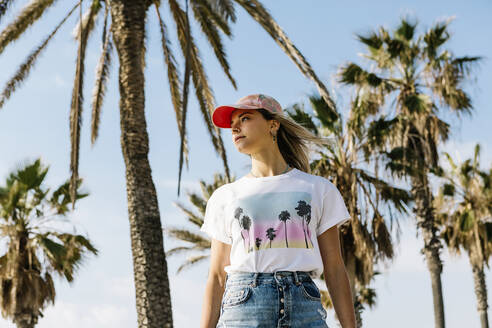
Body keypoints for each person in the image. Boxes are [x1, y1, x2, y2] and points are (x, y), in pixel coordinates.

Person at [199, 94, 356, 328]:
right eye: (232, 125)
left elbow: (334, 266)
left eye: (244, 118)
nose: (235, 128)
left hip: (305, 307)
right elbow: (217, 276)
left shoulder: (318, 189)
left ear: (273, 124)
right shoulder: (225, 196)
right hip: (243, 308)